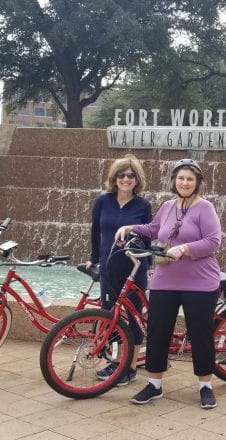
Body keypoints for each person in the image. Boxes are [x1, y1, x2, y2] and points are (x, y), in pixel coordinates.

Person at [118, 158, 223, 409]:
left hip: (199, 282)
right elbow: (154, 229)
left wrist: (184, 249)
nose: (184, 183)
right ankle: (154, 384)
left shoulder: (205, 208)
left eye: (189, 179)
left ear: (197, 182)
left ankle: (205, 386)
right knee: (157, 332)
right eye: (180, 178)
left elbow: (214, 240)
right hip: (165, 281)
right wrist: (129, 227)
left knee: (200, 334)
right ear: (174, 181)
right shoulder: (167, 206)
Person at [87, 154, 152, 386]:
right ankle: (116, 362)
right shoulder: (103, 201)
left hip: (134, 269)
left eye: (131, 175)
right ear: (114, 178)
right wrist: (93, 258)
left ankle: (131, 368)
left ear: (137, 179)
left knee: (134, 319)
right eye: (122, 175)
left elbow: (148, 237)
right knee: (108, 315)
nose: (126, 179)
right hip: (108, 267)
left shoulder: (143, 205)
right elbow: (96, 232)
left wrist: (148, 262)